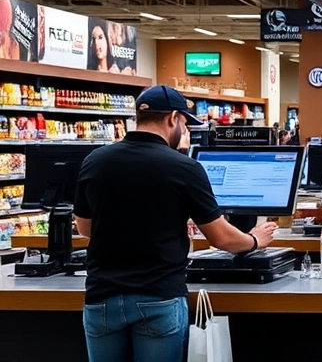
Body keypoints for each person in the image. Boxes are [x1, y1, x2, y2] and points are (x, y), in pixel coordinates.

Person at [73, 85, 277, 362]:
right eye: (184, 122)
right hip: (158, 296)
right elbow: (221, 238)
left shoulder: (94, 161)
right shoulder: (183, 167)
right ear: (172, 119)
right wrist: (255, 240)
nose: (184, 130)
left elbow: (85, 228)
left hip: (101, 299)